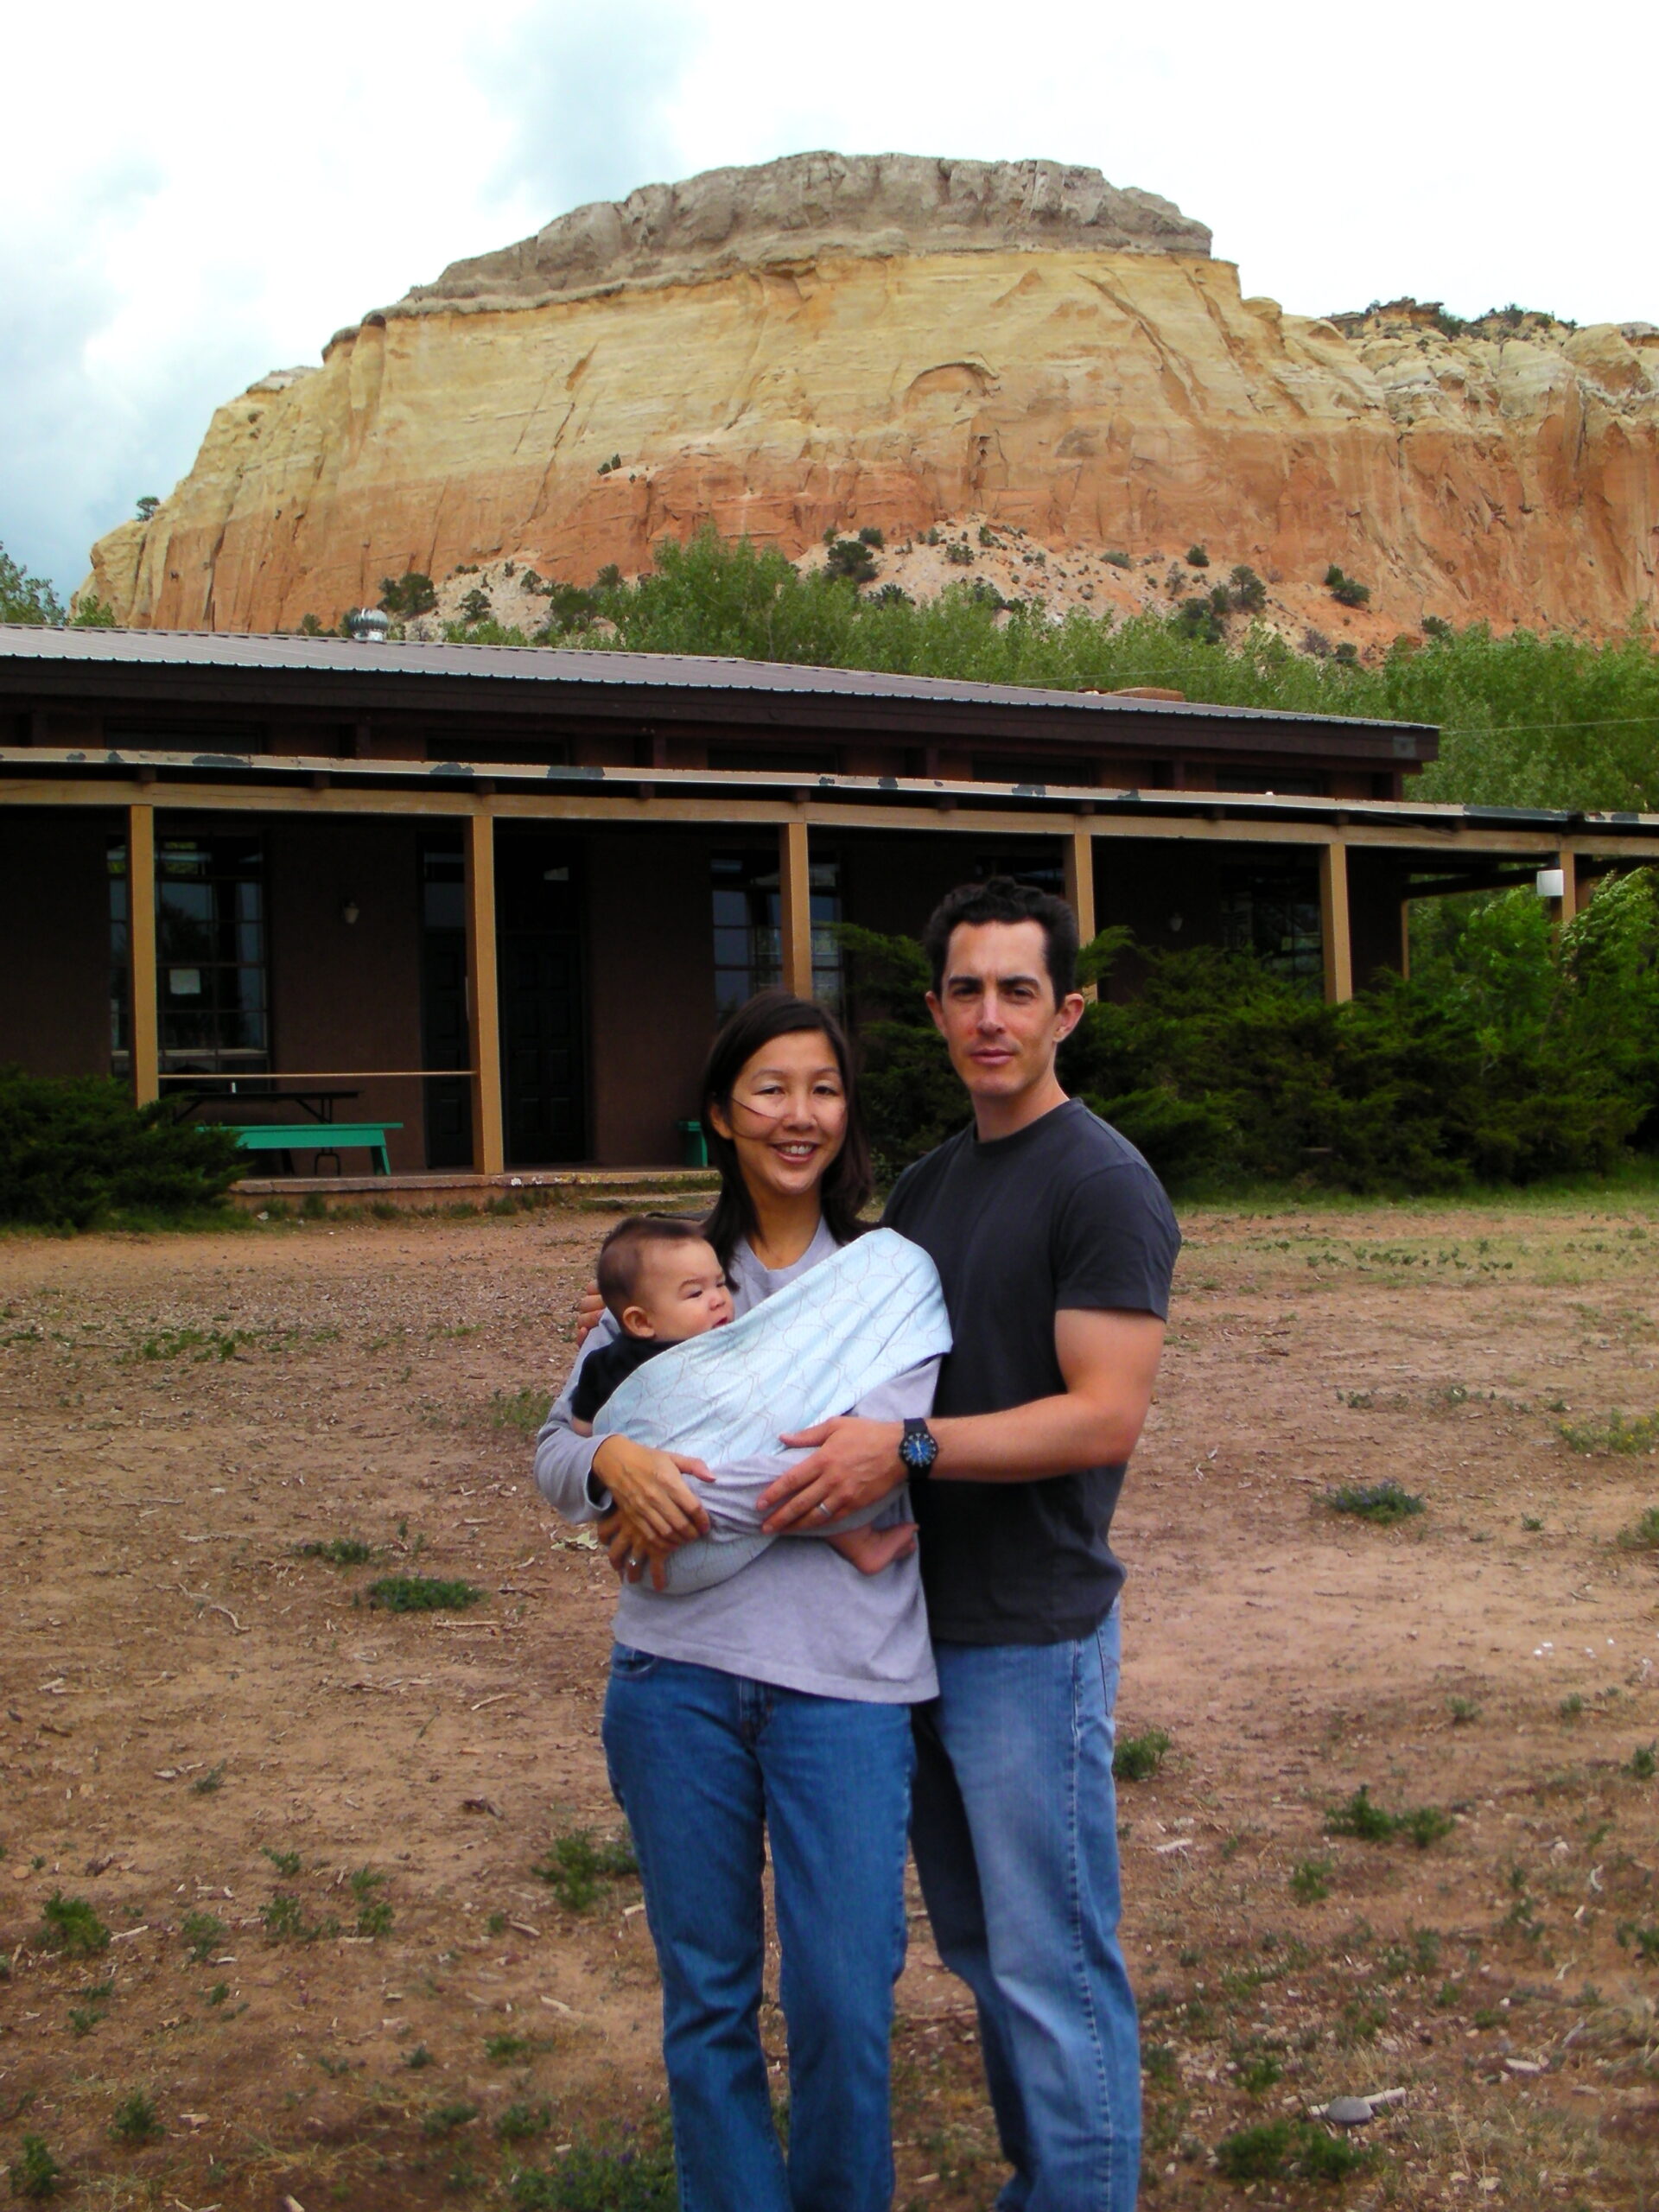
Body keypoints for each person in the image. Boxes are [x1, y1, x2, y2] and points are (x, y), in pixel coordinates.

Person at [757, 878, 1181, 2212]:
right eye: (965, 991)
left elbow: (1104, 1417)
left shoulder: (1103, 1182)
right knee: (992, 1954)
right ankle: (1041, 2184)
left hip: (1032, 1634)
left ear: (1069, 1009)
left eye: (1017, 991)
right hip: (916, 1633)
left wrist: (916, 1453)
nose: (990, 1017)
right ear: (935, 1008)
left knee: (1052, 1959)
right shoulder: (935, 1185)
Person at [532, 991, 945, 2212]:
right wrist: (615, 1465)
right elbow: (559, 1452)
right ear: (722, 1112)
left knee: (840, 1998)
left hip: (847, 1689)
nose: (797, 1114)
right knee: (707, 1996)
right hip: (676, 1684)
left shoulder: (887, 1281)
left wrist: (679, 1486)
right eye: (768, 1088)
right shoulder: (660, 1274)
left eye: (822, 1087)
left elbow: (850, 1463)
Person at [569, 1211, 933, 1584]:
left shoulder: (886, 1270)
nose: (717, 1300)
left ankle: (845, 1534)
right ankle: (848, 1535)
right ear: (640, 1321)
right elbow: (575, 1437)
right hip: (659, 1505)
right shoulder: (612, 1344)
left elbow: (583, 1421)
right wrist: (609, 1457)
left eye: (720, 1284)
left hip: (684, 1507)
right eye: (695, 1293)